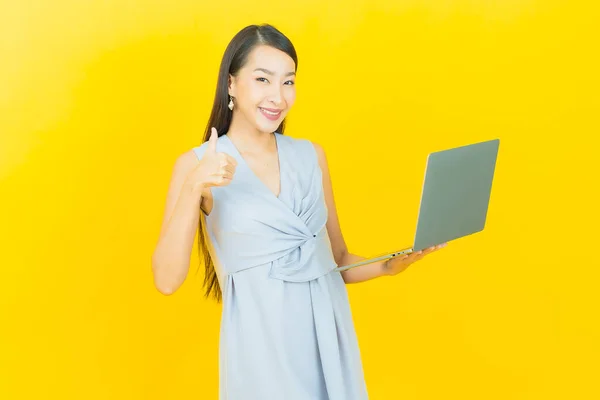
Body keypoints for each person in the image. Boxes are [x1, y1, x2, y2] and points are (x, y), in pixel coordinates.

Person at [151, 23, 446, 400]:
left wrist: (389, 265)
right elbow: (166, 279)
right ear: (230, 84)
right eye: (263, 79)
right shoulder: (196, 166)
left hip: (327, 336)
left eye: (288, 82)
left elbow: (336, 259)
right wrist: (194, 186)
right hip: (262, 350)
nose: (278, 96)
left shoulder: (311, 156)